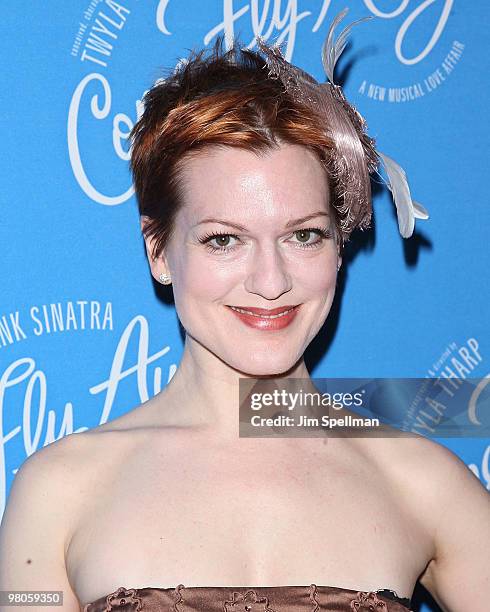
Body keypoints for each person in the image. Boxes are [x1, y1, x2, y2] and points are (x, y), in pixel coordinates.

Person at [1, 8, 489, 612]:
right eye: (224, 239)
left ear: (340, 245)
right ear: (158, 251)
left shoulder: (423, 483)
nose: (270, 281)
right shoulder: (57, 492)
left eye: (303, 235)